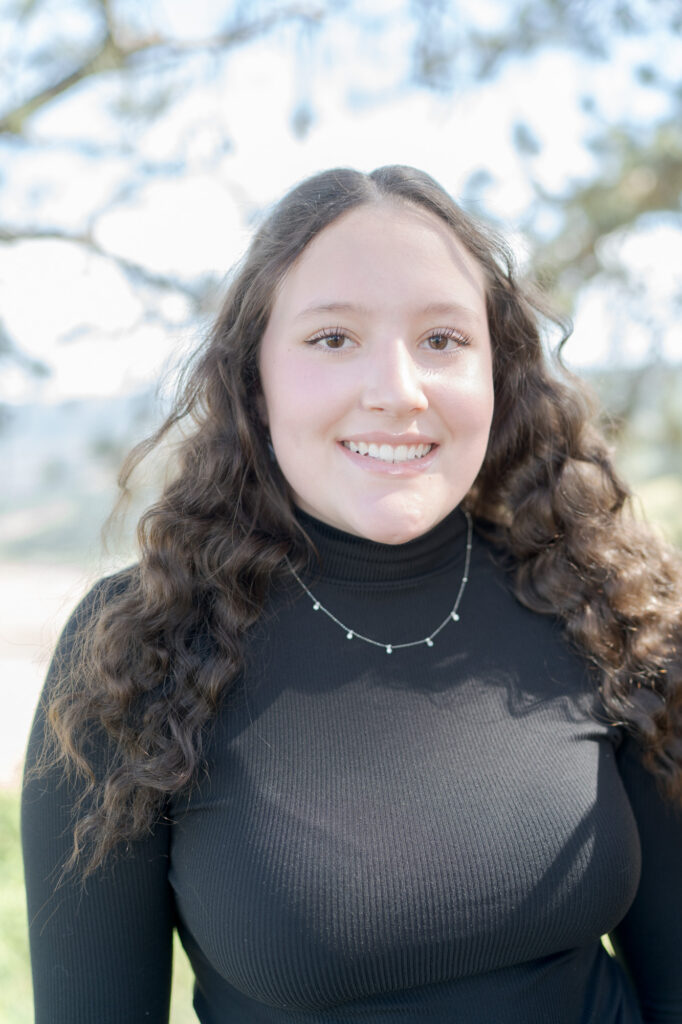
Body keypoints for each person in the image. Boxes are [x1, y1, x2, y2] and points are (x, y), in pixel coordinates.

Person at [21, 165, 682, 1024]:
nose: (397, 392)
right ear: (253, 379)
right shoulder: (137, 647)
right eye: (333, 338)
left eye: (442, 340)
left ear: (498, 371)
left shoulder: (599, 601)